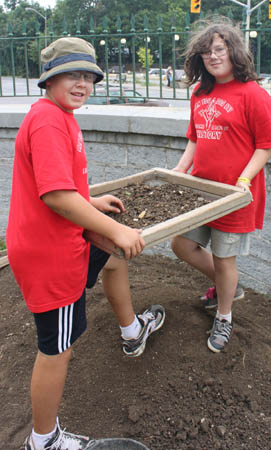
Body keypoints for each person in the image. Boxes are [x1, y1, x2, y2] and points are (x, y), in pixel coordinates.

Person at [6, 37, 165, 450]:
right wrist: (116, 230)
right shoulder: (47, 120)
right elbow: (56, 197)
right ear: (49, 79)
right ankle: (44, 441)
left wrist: (90, 201)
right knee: (57, 348)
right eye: (71, 75)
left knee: (112, 260)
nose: (82, 84)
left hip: (64, 239)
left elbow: (61, 186)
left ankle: (132, 331)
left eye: (88, 76)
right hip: (51, 256)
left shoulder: (60, 115)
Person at [171, 21, 271, 353]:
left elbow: (267, 146)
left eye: (219, 49)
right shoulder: (200, 93)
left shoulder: (253, 94)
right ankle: (228, 287)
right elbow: (195, 137)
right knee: (181, 245)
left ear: (234, 51)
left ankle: (224, 314)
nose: (213, 56)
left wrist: (243, 181)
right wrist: (179, 169)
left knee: (224, 259)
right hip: (200, 190)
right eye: (206, 52)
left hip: (233, 197)